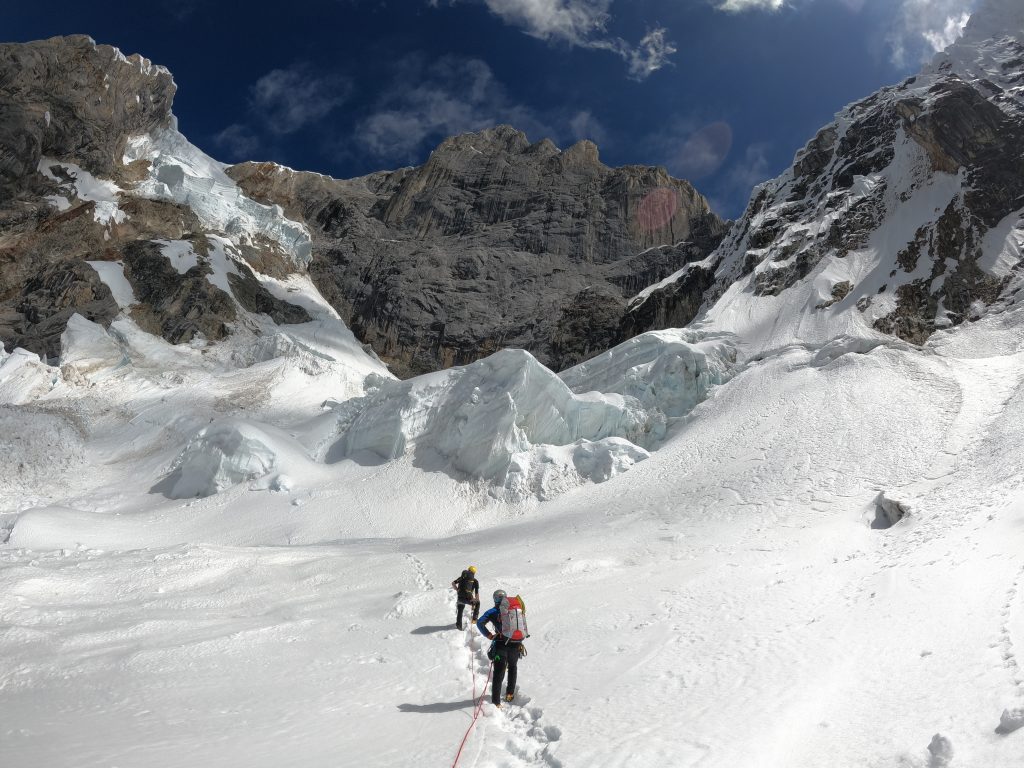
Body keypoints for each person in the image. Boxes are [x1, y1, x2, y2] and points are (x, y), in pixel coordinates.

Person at [476, 589, 527, 708]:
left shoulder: (492, 611)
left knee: (499, 672)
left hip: (500, 644)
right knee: (513, 667)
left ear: (495, 599)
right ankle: (510, 694)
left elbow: (480, 622)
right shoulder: (515, 609)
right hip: (515, 644)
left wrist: (489, 635)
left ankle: (496, 702)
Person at [451, 565, 479, 630]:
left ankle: (459, 626)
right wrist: (474, 602)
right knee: (478, 603)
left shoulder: (461, 578)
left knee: (460, 611)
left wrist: (457, 590)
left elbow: (453, 583)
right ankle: (474, 620)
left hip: (460, 597)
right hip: (468, 598)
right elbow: (476, 594)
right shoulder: (475, 581)